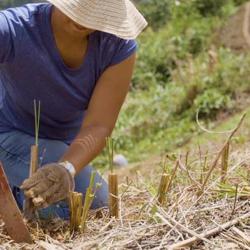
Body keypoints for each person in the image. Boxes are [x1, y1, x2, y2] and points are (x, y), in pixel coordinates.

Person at [0, 0, 147, 219]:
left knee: (99, 208)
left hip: (63, 148)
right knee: (57, 213)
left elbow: (98, 125)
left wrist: (67, 169)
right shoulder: (14, 28)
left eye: (95, 13)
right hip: (8, 135)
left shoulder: (117, 47)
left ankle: (15, 192)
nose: (84, 20)